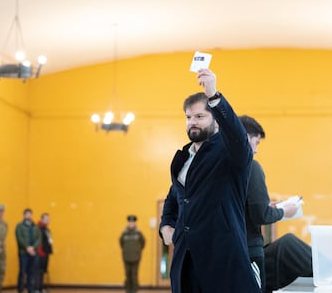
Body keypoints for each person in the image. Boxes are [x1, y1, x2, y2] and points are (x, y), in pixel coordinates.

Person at [159, 69, 260, 293]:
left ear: (216, 121)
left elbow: (237, 136)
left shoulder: (229, 153)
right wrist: (166, 225)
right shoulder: (184, 158)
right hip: (186, 262)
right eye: (188, 117)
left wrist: (214, 95)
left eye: (200, 116)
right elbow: (174, 198)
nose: (192, 122)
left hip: (221, 259)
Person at [239, 115, 299, 292]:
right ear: (245, 137)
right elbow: (260, 215)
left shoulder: (219, 167)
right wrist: (284, 212)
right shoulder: (251, 167)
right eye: (256, 143)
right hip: (248, 250)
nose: (256, 150)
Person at [15, 208, 42, 293]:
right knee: (22, 272)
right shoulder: (19, 226)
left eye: (30, 214)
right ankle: (20, 289)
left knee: (31, 272)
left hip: (33, 253)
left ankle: (31, 289)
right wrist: (27, 247)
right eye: (27, 214)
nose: (28, 215)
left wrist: (33, 248)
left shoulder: (35, 227)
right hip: (23, 253)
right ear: (24, 215)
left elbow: (39, 238)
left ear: (31, 215)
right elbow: (19, 238)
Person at [119, 215, 146, 293]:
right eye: (130, 222)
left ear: (135, 223)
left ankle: (134, 291)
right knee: (127, 275)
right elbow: (121, 243)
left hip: (136, 257)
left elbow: (143, 243)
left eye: (132, 222)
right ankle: (128, 290)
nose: (131, 224)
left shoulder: (138, 233)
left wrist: (137, 251)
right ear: (128, 223)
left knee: (134, 275)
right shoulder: (124, 233)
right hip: (126, 257)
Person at [34, 213, 53, 293]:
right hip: (39, 253)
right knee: (38, 271)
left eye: (48, 219)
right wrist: (39, 251)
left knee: (42, 271)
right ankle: (36, 288)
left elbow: (49, 241)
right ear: (42, 219)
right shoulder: (37, 228)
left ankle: (41, 288)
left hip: (45, 253)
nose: (48, 220)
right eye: (46, 219)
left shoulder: (47, 230)